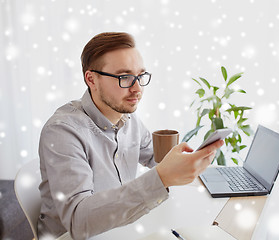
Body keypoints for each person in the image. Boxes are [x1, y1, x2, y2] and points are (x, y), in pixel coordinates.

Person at [37, 32, 223, 240]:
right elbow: (78, 222)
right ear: (92, 79)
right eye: (124, 77)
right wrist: (162, 177)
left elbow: (154, 158)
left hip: (118, 228)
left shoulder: (127, 118)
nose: (137, 89)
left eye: (140, 76)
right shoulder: (63, 131)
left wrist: (190, 161)